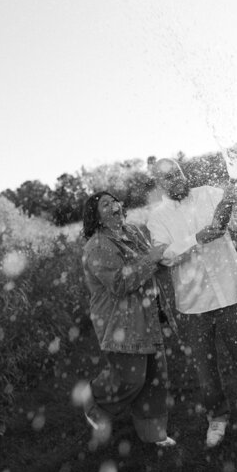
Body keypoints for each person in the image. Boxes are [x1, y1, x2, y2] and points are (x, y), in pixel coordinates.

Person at [147, 158, 237, 448]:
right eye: (168, 178)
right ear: (160, 184)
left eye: (178, 173)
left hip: (226, 293)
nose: (176, 180)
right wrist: (196, 238)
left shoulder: (210, 193)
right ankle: (217, 419)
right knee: (205, 370)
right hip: (193, 303)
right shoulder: (156, 217)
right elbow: (165, 256)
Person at [81, 191, 177, 447]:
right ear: (97, 217)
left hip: (148, 313)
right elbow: (120, 283)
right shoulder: (98, 246)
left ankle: (153, 434)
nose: (115, 205)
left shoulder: (132, 231)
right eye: (106, 204)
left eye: (115, 201)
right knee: (130, 378)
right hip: (119, 321)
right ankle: (94, 401)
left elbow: (152, 261)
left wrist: (169, 254)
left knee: (155, 377)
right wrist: (153, 258)